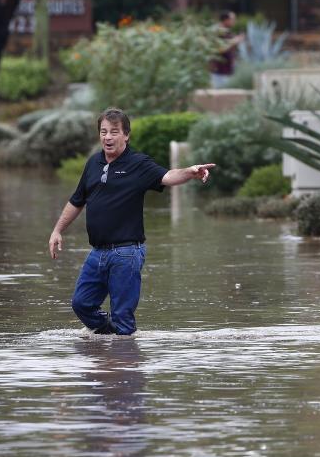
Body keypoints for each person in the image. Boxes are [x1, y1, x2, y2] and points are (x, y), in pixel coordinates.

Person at [48, 107, 215, 336]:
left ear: (126, 135)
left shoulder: (138, 163)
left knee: (123, 317)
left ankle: (125, 365)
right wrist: (57, 230)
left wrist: (190, 171)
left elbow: (167, 176)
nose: (108, 137)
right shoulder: (94, 163)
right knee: (81, 304)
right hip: (97, 253)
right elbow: (77, 200)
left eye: (114, 132)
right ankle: (108, 345)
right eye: (104, 131)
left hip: (126, 252)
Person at [210, 11, 243, 88]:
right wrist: (234, 41)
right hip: (219, 71)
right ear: (226, 20)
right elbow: (218, 49)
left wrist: (236, 41)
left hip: (228, 70)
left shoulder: (228, 32)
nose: (234, 21)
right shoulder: (217, 31)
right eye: (233, 19)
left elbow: (229, 48)